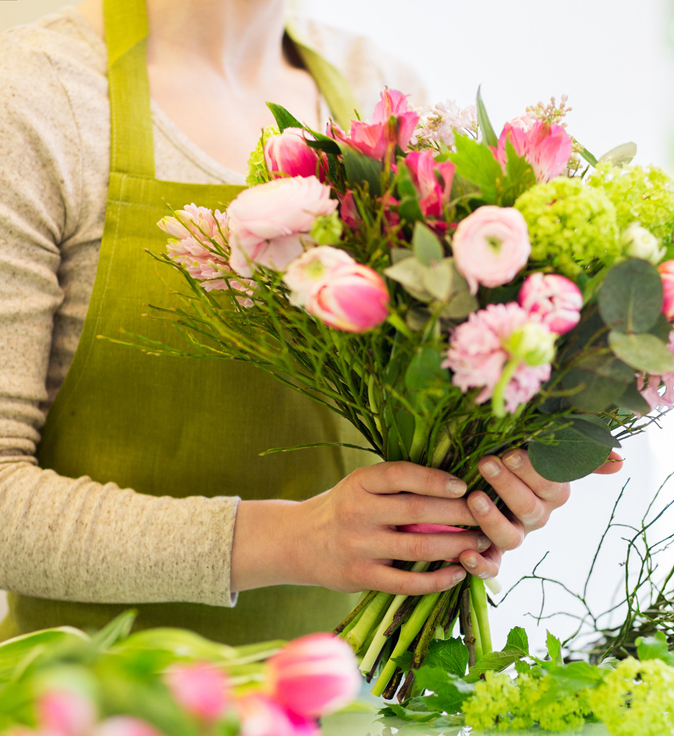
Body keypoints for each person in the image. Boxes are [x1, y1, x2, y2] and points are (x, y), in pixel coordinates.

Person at [0, 0, 622, 645]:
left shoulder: (379, 90)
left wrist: (483, 482)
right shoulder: (34, 94)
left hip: (358, 709)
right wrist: (297, 541)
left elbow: (430, 404)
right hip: (97, 710)